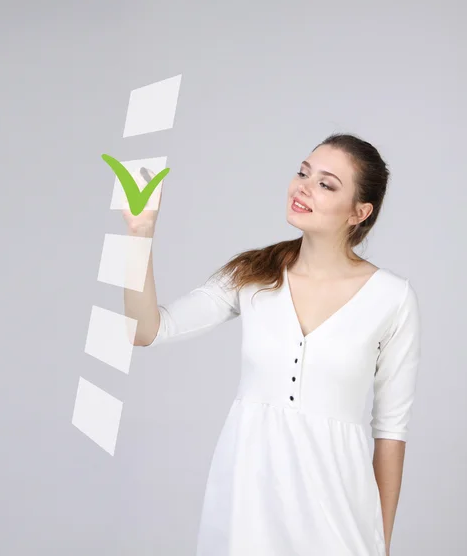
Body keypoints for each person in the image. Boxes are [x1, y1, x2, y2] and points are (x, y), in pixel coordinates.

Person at [123, 133, 421, 556]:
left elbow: (391, 433)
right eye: (303, 172)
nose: (303, 187)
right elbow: (147, 329)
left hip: (338, 512)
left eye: (326, 183)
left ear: (360, 211)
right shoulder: (253, 274)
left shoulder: (392, 298)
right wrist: (140, 235)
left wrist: (381, 542)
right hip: (247, 506)